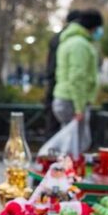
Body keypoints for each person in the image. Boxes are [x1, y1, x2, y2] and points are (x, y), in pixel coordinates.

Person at [52, 9, 104, 128]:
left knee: (69, 140)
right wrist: (79, 108)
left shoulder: (71, 41)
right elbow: (77, 77)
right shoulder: (80, 45)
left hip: (66, 97)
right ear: (94, 27)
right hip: (72, 100)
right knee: (74, 143)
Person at [44, 9, 81, 138]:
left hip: (54, 86)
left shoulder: (56, 38)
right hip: (63, 88)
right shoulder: (74, 40)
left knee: (53, 126)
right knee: (66, 132)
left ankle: (50, 154)